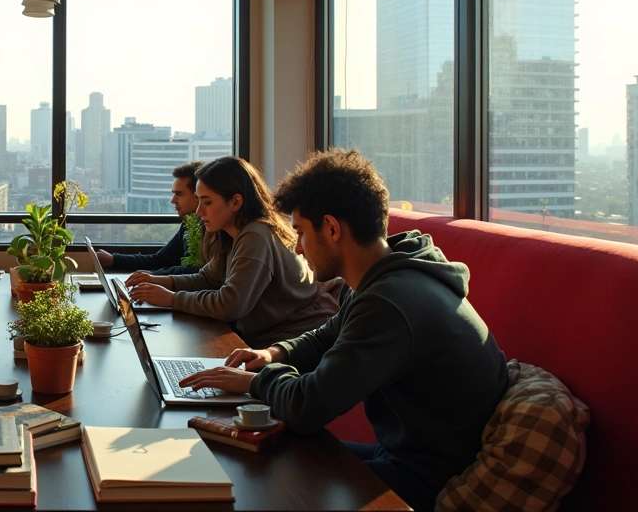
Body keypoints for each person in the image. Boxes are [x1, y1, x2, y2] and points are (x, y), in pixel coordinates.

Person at [179, 149, 508, 512]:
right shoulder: (381, 277)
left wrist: (253, 381)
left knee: (269, 473)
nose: (299, 249)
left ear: (333, 229)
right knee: (259, 448)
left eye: (302, 233)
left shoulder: (391, 302)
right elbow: (326, 334)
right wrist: (273, 354)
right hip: (405, 452)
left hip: (430, 476)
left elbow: (308, 406)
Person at [124, 156, 338, 348]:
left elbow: (229, 305)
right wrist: (162, 282)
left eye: (207, 202)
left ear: (236, 201)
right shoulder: (230, 233)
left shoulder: (256, 235)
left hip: (296, 341)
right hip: (269, 338)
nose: (199, 211)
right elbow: (209, 278)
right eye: (199, 201)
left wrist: (172, 298)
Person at [95, 161, 204, 275]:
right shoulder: (188, 226)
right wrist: (113, 260)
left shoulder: (211, 230)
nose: (173, 201)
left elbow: (196, 273)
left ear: (198, 195)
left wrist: (153, 276)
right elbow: (159, 260)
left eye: (179, 194)